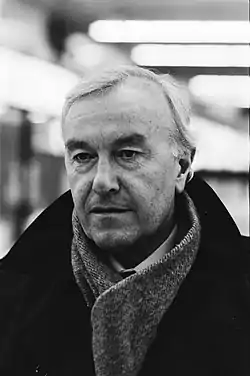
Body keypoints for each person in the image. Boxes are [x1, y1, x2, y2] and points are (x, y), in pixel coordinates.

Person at [0, 66, 249, 376]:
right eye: (83, 156)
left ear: (182, 167)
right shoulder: (11, 297)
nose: (102, 181)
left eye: (128, 154)